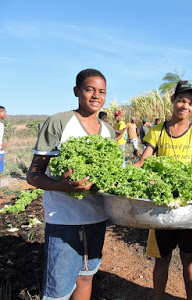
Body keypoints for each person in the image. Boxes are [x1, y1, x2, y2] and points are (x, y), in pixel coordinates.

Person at [26, 69, 116, 300]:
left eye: (102, 91)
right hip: (64, 220)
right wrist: (62, 186)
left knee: (86, 277)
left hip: (97, 217)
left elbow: (113, 174)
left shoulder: (108, 130)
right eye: (89, 89)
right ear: (77, 91)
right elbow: (33, 175)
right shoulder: (59, 122)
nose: (96, 95)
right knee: (58, 291)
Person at [134, 80, 192, 300]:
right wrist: (126, 176)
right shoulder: (156, 131)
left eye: (191, 103)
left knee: (188, 256)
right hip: (162, 207)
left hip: (186, 207)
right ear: (173, 100)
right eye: (181, 100)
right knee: (161, 258)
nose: (185, 106)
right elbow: (143, 161)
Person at [0, 106, 7, 187]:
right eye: (4, 112)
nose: (6, 114)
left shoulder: (1, 125)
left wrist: (3, 143)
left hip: (1, 152)